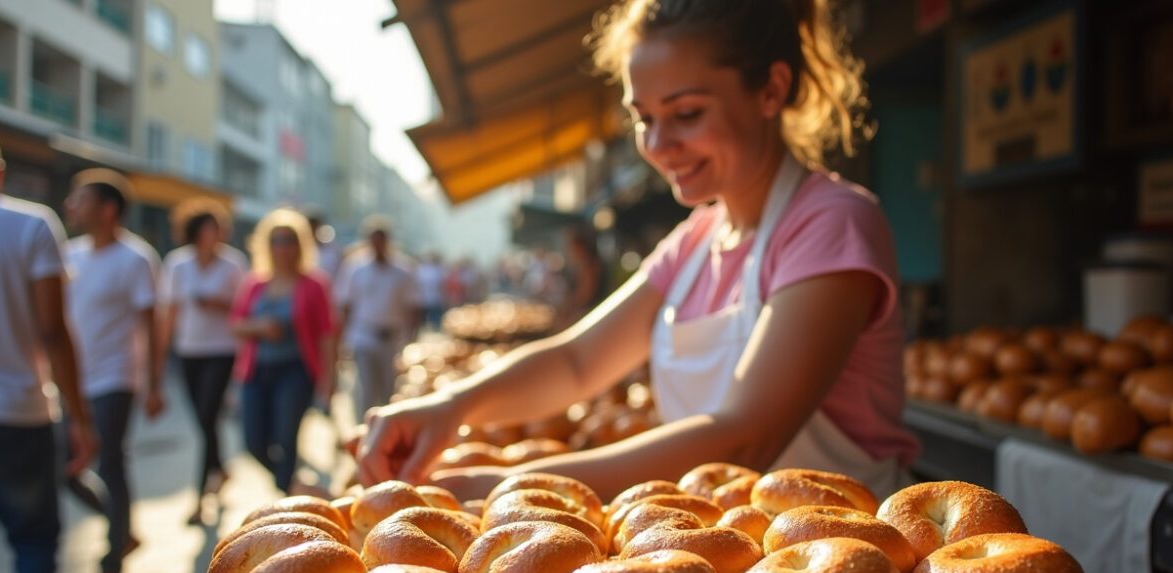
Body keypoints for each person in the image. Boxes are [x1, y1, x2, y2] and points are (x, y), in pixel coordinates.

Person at [356, 0, 918, 501]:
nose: (657, 144)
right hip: (724, 554)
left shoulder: (833, 223)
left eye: (687, 114)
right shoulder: (696, 242)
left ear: (771, 89)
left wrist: (509, 485)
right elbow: (577, 362)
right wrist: (450, 406)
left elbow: (745, 436)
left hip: (849, 557)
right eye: (644, 118)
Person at [0, 122, 97, 573]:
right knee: (35, 546)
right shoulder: (30, 225)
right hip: (16, 412)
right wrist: (80, 417)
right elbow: (52, 330)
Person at [60, 168, 164, 573]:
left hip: (114, 379)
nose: (71, 205)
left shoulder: (135, 259)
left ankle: (110, 570)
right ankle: (121, 528)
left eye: (80, 198)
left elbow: (150, 328)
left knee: (109, 465)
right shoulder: (68, 255)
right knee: (63, 467)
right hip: (71, 383)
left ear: (107, 209)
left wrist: (153, 384)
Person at [157, 198, 248, 525]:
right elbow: (169, 314)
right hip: (189, 351)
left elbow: (244, 311)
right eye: (211, 228)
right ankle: (220, 468)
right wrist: (158, 361)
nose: (217, 233)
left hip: (222, 351)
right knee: (203, 420)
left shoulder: (233, 265)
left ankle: (200, 498)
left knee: (208, 415)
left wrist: (220, 305)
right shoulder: (177, 264)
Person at [230, 209, 335, 494]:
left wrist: (328, 380)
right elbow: (235, 325)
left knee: (286, 438)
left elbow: (327, 335)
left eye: (289, 240)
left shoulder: (314, 285)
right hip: (257, 371)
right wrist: (261, 327)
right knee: (253, 443)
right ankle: (292, 487)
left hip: (296, 370)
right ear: (267, 244)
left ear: (300, 245)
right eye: (276, 240)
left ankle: (288, 501)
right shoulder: (254, 284)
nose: (283, 247)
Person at [336, 217, 418, 423]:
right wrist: (342, 340)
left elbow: (412, 307)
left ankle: (386, 430)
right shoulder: (355, 268)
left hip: (392, 338)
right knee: (366, 389)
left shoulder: (402, 270)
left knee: (389, 389)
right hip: (363, 336)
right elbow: (346, 305)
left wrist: (410, 338)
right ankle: (364, 430)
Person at [414, 253, 446, 329]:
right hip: (425, 298)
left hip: (433, 298)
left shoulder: (437, 270)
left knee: (434, 320)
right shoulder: (423, 269)